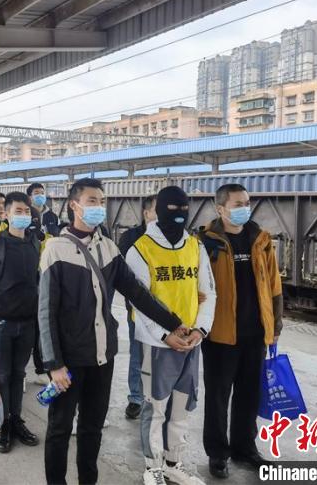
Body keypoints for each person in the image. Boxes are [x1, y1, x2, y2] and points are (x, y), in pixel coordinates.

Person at [39, 178, 188, 485]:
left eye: (102, 201)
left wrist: (173, 322)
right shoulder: (55, 250)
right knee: (60, 428)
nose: (99, 207)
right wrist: (54, 364)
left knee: (92, 428)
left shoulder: (107, 247)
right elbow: (45, 312)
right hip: (69, 359)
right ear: (74, 205)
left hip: (102, 356)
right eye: (92, 201)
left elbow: (137, 292)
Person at [126, 186, 216, 485]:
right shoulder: (141, 249)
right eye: (173, 208)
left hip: (190, 343)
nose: (180, 214)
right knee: (155, 407)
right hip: (157, 345)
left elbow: (208, 292)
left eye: (185, 209)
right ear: (159, 210)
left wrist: (200, 329)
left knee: (181, 407)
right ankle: (152, 467)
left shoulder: (195, 246)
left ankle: (173, 463)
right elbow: (138, 301)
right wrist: (165, 335)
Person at [198, 184, 283, 479]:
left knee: (249, 394)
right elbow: (197, 289)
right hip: (219, 335)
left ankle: (245, 448)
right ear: (220, 208)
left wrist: (276, 325)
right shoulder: (205, 242)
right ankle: (217, 453)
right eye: (238, 204)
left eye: (247, 203)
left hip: (255, 333)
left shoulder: (260, 239)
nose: (245, 208)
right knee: (218, 397)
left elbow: (273, 284)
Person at [0, 192, 41, 453]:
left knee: (19, 373)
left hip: (28, 321)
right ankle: (3, 424)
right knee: (3, 374)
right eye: (18, 211)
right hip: (2, 322)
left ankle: (16, 420)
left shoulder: (35, 244)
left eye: (27, 211)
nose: (23, 215)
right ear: (6, 215)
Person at [117, 195, 157, 420]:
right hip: (138, 308)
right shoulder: (130, 238)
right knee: (138, 352)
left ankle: (159, 397)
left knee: (164, 356)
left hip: (170, 310)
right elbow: (125, 274)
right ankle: (136, 397)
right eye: (158, 210)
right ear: (146, 213)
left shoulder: (180, 238)